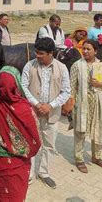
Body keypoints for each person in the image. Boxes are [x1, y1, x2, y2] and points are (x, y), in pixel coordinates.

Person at [0, 66, 41, 202]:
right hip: (16, 166)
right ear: (17, 84)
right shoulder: (26, 108)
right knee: (13, 196)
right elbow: (36, 141)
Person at [21, 37, 70, 189]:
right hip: (32, 113)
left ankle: (44, 173)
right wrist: (36, 104)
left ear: (51, 53)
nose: (38, 56)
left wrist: (50, 105)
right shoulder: (30, 66)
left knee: (49, 145)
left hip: (51, 114)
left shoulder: (62, 68)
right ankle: (29, 173)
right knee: (31, 143)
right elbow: (23, 87)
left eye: (41, 53)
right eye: (36, 52)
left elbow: (66, 91)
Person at [69, 39, 102, 173]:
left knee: (98, 129)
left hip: (98, 103)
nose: (85, 51)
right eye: (83, 48)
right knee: (80, 131)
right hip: (82, 103)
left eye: (88, 49)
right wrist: (72, 105)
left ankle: (97, 157)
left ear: (95, 51)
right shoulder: (77, 65)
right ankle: (79, 159)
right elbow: (72, 88)